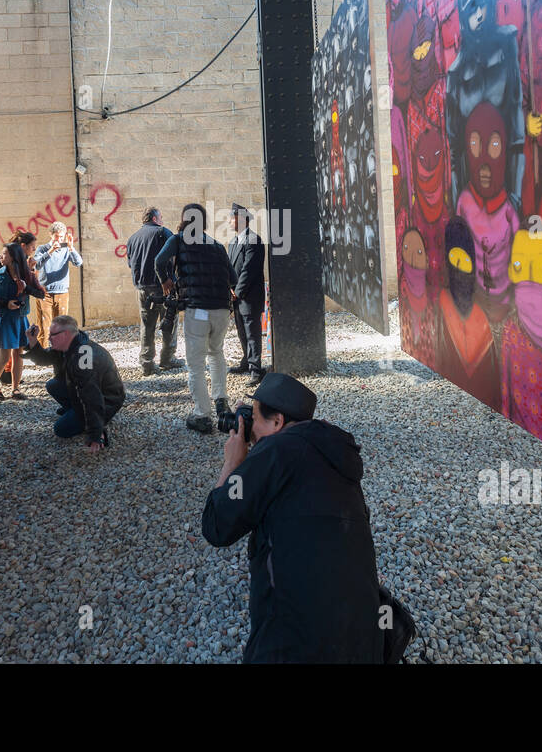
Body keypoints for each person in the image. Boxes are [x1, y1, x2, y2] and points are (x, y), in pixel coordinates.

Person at [202, 373, 384, 663]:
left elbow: (216, 526)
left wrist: (232, 463)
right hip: (364, 642)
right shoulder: (336, 451)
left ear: (278, 423)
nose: (252, 430)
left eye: (256, 421)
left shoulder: (276, 451)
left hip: (293, 648)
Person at [155, 202, 237, 434]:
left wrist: (165, 280)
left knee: (196, 365)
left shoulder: (178, 239)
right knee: (217, 353)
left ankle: (202, 415)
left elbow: (160, 261)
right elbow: (232, 277)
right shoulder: (216, 245)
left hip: (197, 309)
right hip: (221, 309)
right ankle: (221, 402)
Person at [23, 314, 125, 454]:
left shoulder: (84, 359)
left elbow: (92, 397)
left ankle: (92, 420)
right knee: (53, 385)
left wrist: (95, 434)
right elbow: (44, 359)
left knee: (61, 429)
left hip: (106, 400)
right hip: (83, 393)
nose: (48, 338)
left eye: (52, 335)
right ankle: (75, 411)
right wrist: (33, 340)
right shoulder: (68, 345)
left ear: (65, 335)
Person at [0, 234, 45, 400]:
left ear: (13, 257)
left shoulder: (27, 274)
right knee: (4, 356)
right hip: (3, 319)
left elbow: (41, 294)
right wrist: (6, 303)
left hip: (20, 319)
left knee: (18, 354)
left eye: (4, 254)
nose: (1, 256)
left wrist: (26, 288)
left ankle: (15, 388)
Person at [126, 206, 183, 375]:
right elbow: (174, 257)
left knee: (147, 325)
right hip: (164, 287)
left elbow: (131, 263)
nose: (163, 220)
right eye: (161, 217)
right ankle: (167, 359)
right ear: (154, 219)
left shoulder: (132, 238)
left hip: (143, 289)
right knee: (169, 323)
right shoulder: (162, 233)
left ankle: (147, 363)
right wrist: (170, 278)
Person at [227, 202, 266, 385]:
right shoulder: (234, 242)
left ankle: (256, 369)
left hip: (249, 296)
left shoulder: (254, 240)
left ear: (241, 219)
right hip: (237, 296)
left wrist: (237, 292)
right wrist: (230, 288)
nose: (228, 221)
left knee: (252, 333)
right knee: (242, 331)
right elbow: (230, 268)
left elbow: (249, 270)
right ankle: (246, 360)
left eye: (231, 217)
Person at [31, 221, 82, 348]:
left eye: (62, 236)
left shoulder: (66, 249)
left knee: (62, 326)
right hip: (45, 293)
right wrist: (51, 251)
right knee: (45, 325)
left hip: (62, 292)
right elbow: (37, 265)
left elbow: (78, 263)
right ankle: (43, 354)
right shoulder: (42, 249)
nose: (59, 239)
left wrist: (71, 248)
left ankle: (60, 353)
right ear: (51, 235)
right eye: (57, 236)